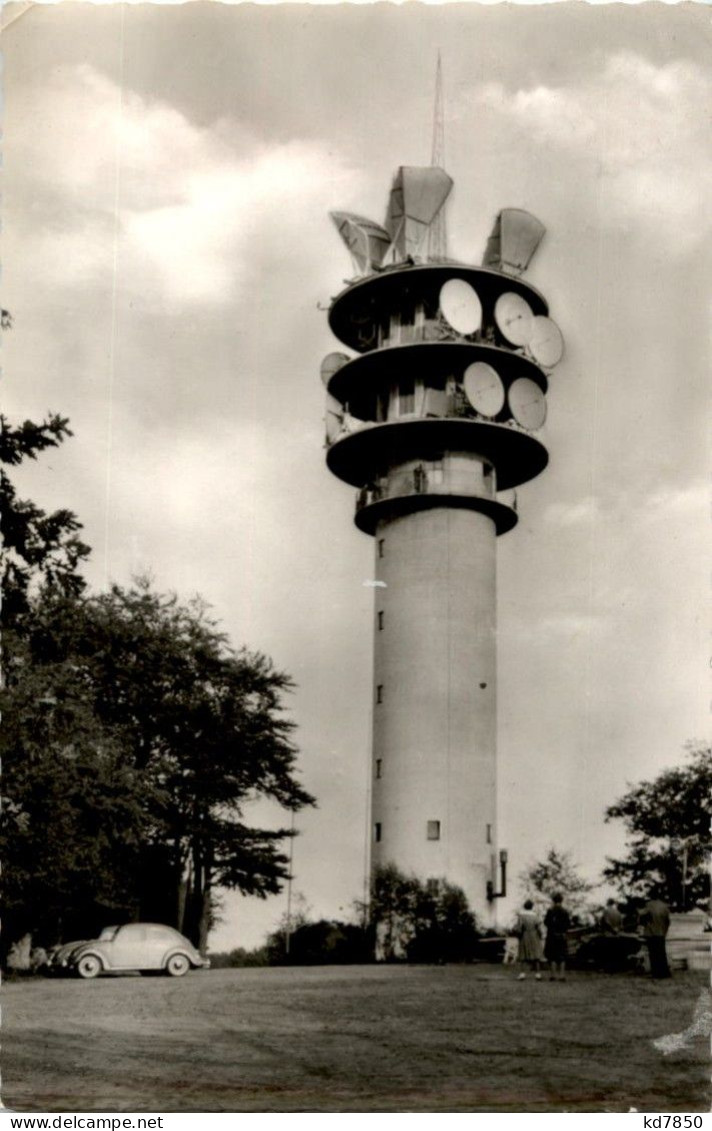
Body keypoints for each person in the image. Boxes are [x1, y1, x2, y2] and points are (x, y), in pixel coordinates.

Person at [640, 894, 671, 979]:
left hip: (651, 932)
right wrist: (665, 931)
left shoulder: (649, 905)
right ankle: (665, 972)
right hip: (661, 933)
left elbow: (642, 916)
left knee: (653, 954)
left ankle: (656, 973)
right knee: (662, 953)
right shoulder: (664, 906)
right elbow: (668, 921)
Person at [514, 899, 544, 980]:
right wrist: (541, 935)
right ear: (532, 907)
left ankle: (522, 973)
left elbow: (519, 928)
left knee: (523, 954)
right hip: (534, 935)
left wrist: (518, 935)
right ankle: (538, 974)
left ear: (524, 906)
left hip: (525, 935)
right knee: (536, 955)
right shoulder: (535, 916)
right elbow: (539, 927)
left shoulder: (521, 916)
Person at [544, 892, 571, 981]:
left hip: (552, 935)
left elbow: (546, 923)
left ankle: (553, 975)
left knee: (552, 955)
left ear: (553, 901)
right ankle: (562, 975)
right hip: (562, 935)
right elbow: (568, 924)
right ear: (561, 901)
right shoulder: (565, 911)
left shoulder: (550, 911)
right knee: (562, 955)